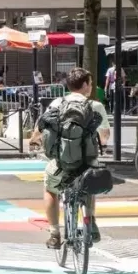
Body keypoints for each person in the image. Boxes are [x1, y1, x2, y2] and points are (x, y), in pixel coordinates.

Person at [29, 67, 110, 249]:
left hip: (61, 163)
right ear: (85, 85)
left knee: (50, 188)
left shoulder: (56, 103)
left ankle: (54, 233)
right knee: (89, 186)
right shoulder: (95, 106)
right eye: (90, 83)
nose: (91, 86)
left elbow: (40, 129)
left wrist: (34, 143)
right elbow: (104, 136)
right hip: (87, 163)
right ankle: (90, 221)